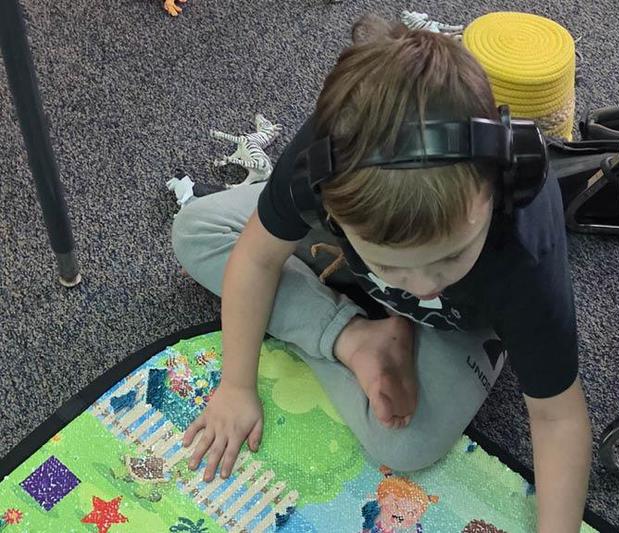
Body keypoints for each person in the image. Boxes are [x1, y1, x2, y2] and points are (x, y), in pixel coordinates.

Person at [172, 13, 592, 532]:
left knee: (404, 442)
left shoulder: (523, 255)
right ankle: (357, 338)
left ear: (495, 193)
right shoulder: (323, 162)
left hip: (467, 323)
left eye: (451, 257)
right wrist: (236, 386)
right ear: (332, 205)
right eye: (392, 265)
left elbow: (558, 419)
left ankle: (367, 315)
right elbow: (256, 256)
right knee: (194, 229)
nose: (420, 287)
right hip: (351, 241)